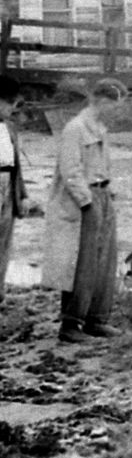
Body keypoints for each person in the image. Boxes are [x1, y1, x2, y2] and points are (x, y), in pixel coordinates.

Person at [42, 78, 127, 343]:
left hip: (102, 196)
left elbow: (101, 165)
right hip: (85, 201)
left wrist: (108, 192)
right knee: (83, 263)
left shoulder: (100, 128)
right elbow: (70, 171)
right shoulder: (75, 129)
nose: (117, 111)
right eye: (114, 105)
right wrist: (86, 201)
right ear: (101, 100)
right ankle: (71, 324)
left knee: (105, 261)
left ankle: (96, 320)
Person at [0, 75, 28, 302]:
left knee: (4, 241)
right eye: (8, 102)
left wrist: (23, 194)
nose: (12, 108)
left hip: (7, 185)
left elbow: (16, 165)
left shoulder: (9, 128)